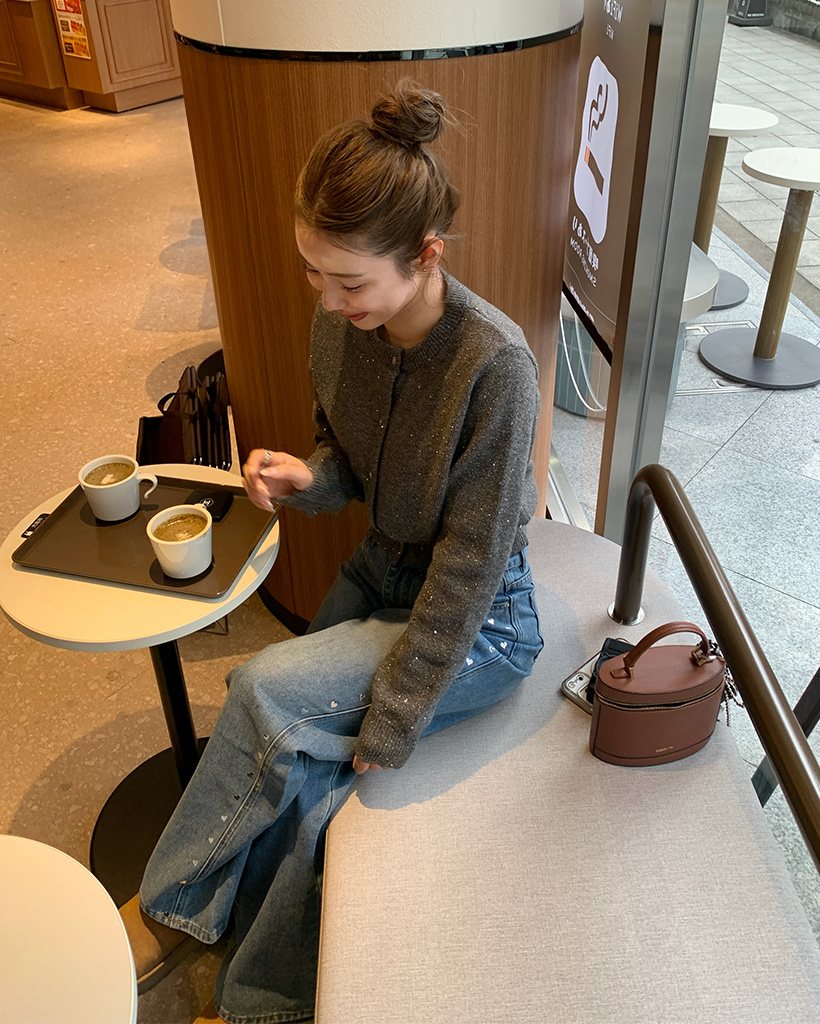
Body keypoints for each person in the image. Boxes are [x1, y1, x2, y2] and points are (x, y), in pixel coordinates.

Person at [122, 80, 544, 1024]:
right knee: (304, 771)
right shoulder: (340, 325)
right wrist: (308, 477)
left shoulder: (495, 366)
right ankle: (263, 990)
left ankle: (166, 913)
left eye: (350, 281)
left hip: (481, 622)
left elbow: (471, 567)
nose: (327, 298)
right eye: (315, 272)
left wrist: (394, 716)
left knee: (262, 692)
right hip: (378, 571)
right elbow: (346, 458)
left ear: (427, 254)